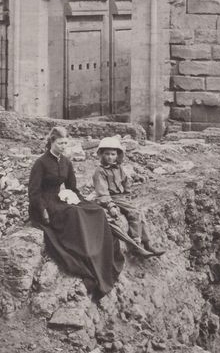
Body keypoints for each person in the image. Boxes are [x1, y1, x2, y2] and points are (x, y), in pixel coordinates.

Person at [27, 127, 124, 300]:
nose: (63, 146)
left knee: (95, 211)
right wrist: (42, 210)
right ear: (51, 142)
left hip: (59, 198)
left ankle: (97, 250)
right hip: (43, 202)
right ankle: (86, 251)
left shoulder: (66, 162)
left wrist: (83, 202)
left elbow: (72, 188)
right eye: (60, 143)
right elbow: (33, 191)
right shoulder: (41, 162)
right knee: (74, 214)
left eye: (65, 143)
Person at [92, 136, 165, 257]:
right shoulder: (100, 171)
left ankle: (147, 243)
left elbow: (125, 181)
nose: (110, 157)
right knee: (134, 212)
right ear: (101, 154)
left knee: (140, 212)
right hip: (110, 198)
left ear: (118, 155)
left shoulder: (118, 168)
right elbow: (102, 192)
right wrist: (110, 206)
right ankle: (136, 245)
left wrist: (127, 193)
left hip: (120, 197)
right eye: (107, 154)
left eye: (113, 154)